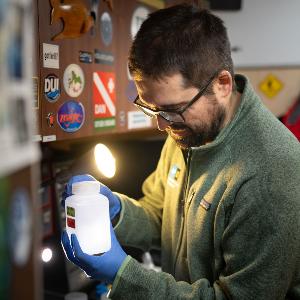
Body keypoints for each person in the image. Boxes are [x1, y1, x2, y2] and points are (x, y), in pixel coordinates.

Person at [61, 4, 300, 299]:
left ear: (222, 84)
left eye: (172, 110)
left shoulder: (272, 173)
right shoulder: (190, 129)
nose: (161, 124)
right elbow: (161, 216)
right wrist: (117, 211)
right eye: (151, 108)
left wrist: (123, 275)